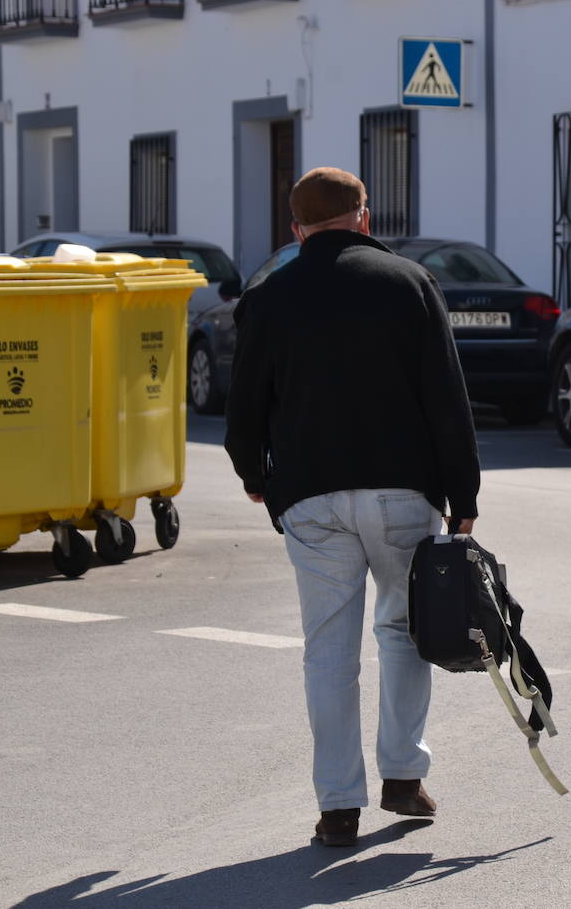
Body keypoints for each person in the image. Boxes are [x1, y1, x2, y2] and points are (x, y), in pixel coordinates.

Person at [224, 166, 480, 848]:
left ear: (295, 227)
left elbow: (244, 402)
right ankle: (403, 778)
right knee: (403, 632)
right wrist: (464, 497)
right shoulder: (409, 284)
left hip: (310, 494)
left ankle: (338, 807)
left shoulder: (269, 296)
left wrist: (256, 476)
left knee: (327, 653)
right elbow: (446, 396)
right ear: (365, 218)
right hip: (404, 491)